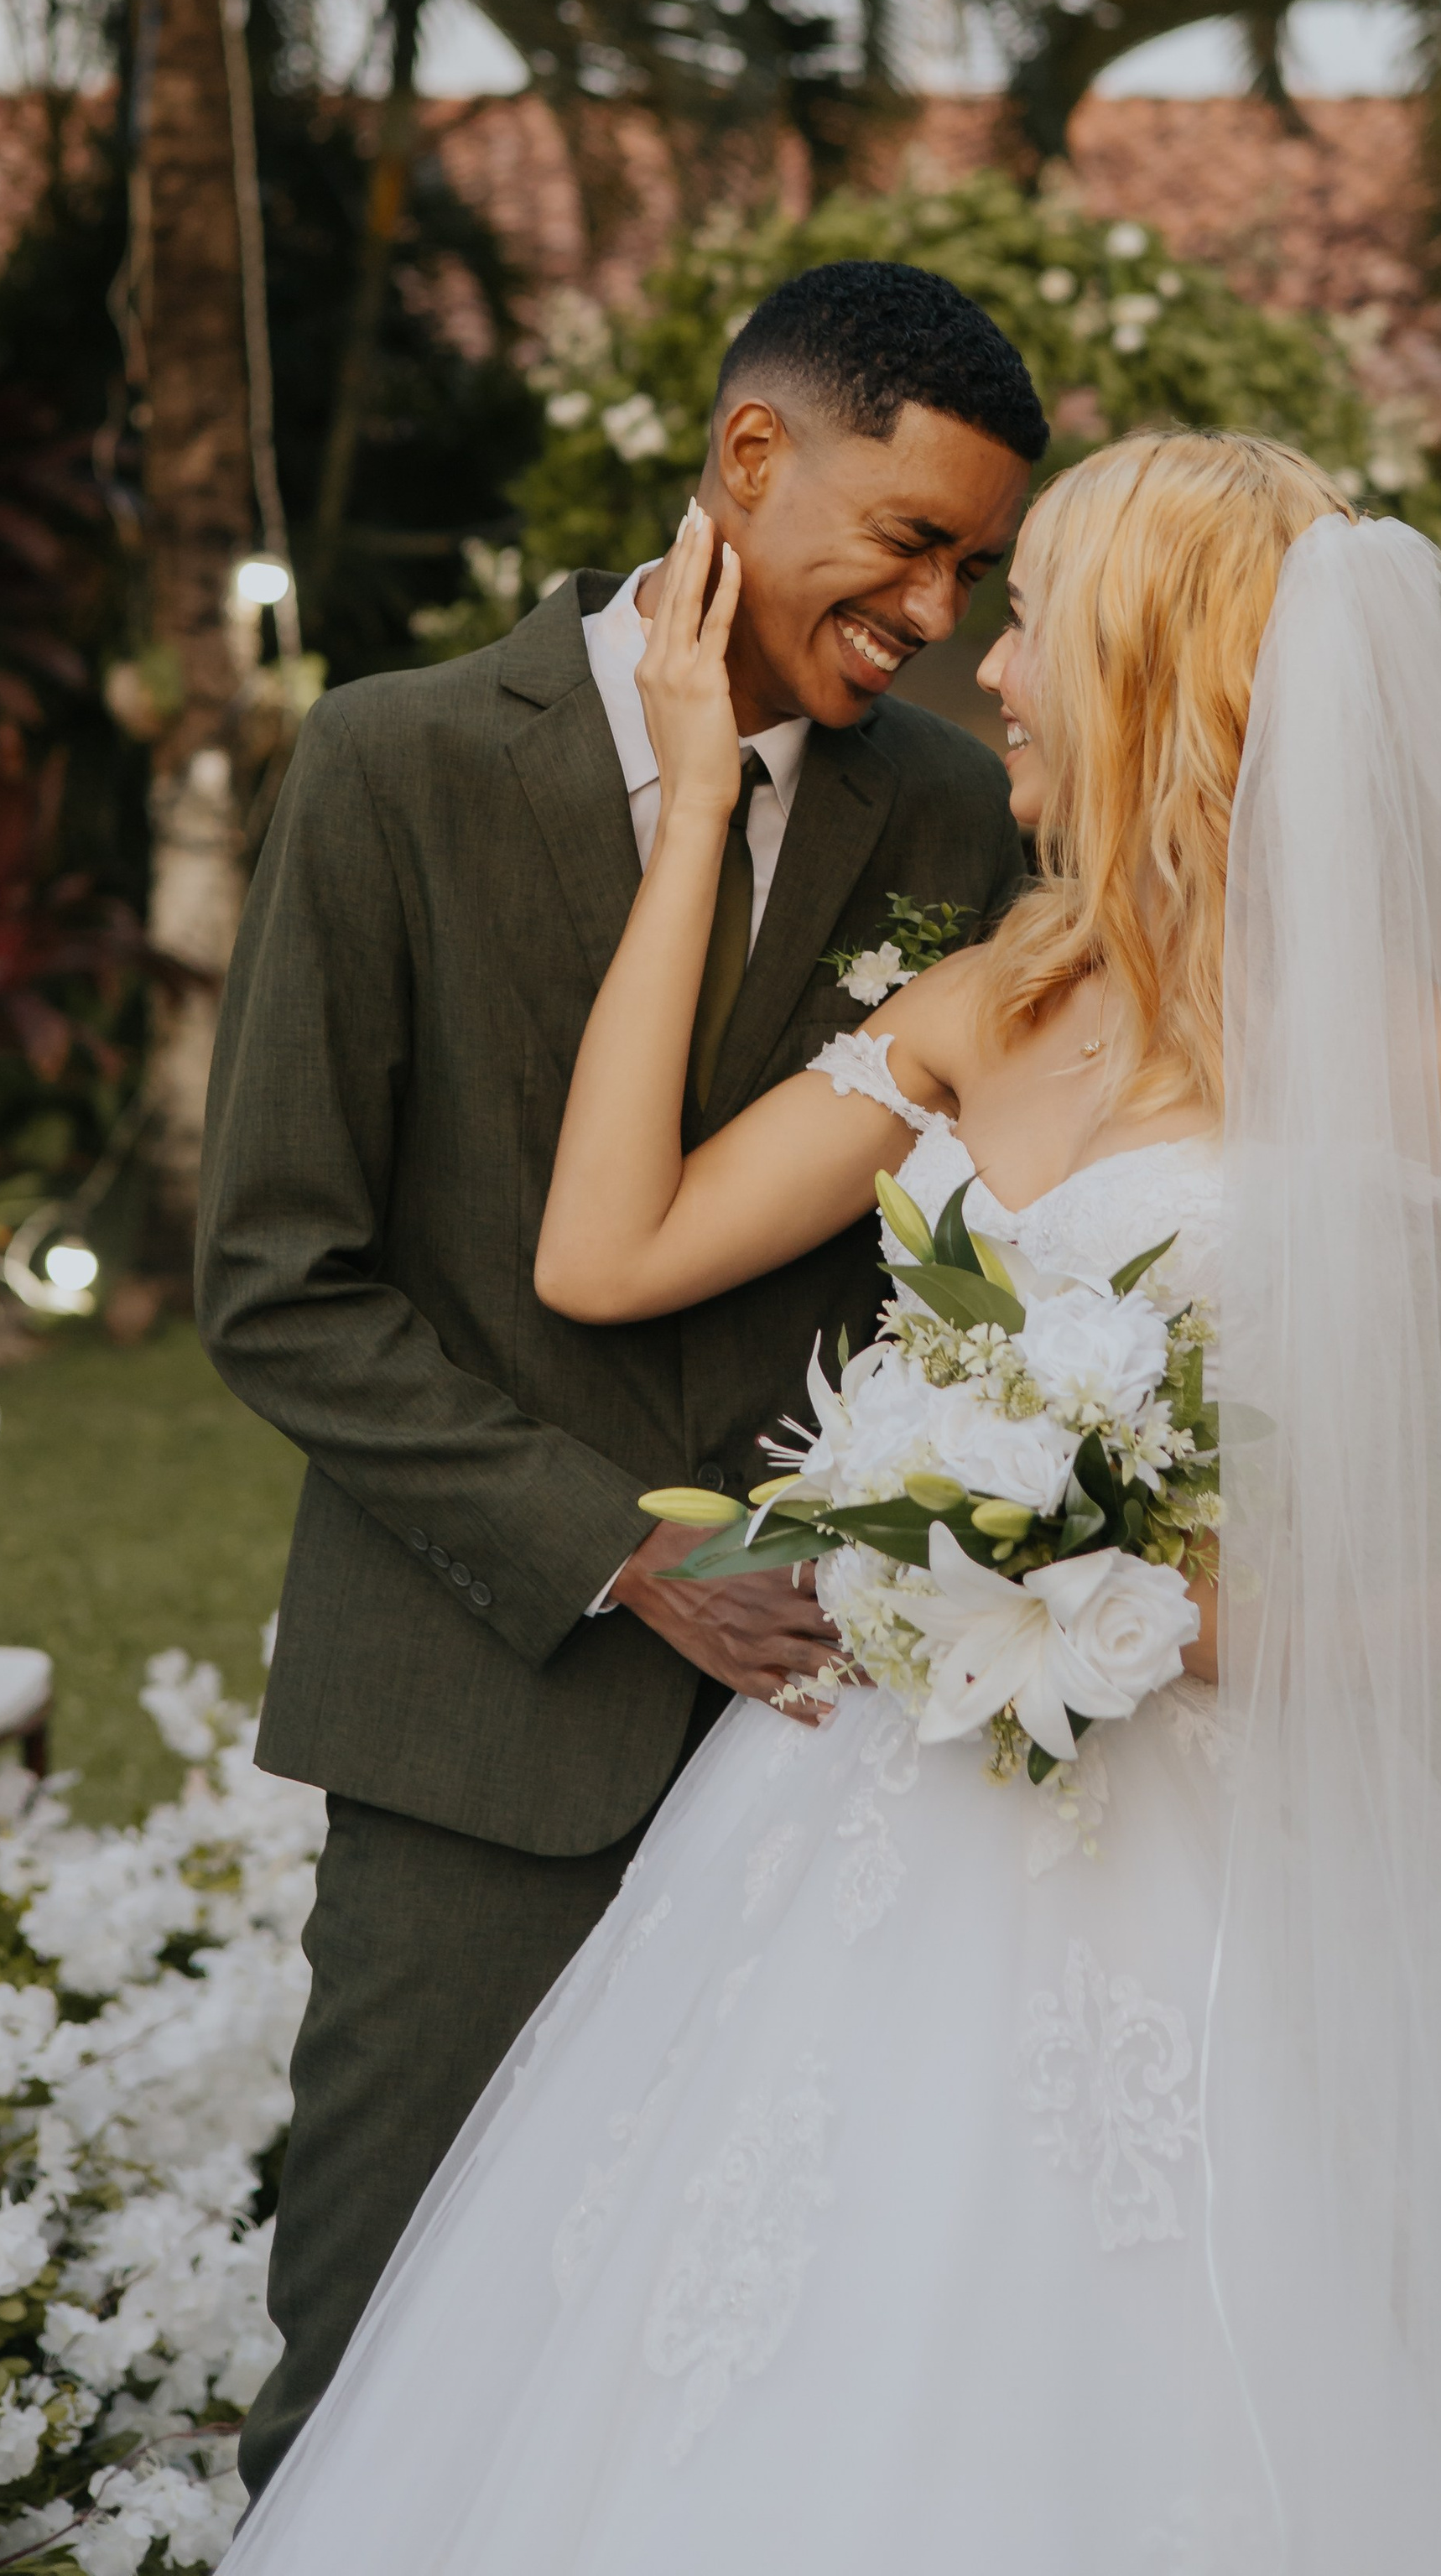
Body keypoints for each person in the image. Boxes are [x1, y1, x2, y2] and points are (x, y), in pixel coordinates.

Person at [222, 434, 1441, 2575]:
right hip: (862, 1828)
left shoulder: (1422, 1062)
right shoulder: (989, 1003)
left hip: (1242, 1851)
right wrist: (677, 827)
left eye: (1034, 623)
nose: (988, 666)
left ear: (1149, 673)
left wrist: (1276, 1635)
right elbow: (604, 1253)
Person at [195, 260, 1043, 2498]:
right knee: (375, 2358)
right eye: (914, 542)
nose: (939, 610)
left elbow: (961, 1255)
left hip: (845, 1756)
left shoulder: (956, 822)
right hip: (489, 1719)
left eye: (977, 567)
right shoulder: (391, 761)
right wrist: (616, 1562)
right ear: (753, 463)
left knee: (763, 2376)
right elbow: (279, 1279)